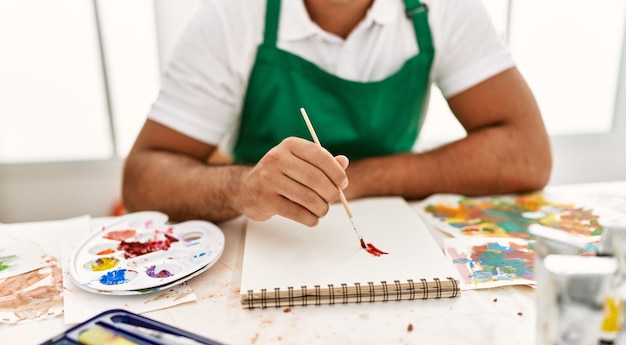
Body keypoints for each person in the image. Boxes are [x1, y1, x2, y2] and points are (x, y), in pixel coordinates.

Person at [122, 0, 552, 227]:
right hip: (267, 233)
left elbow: (526, 154)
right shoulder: (230, 15)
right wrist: (243, 188)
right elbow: (143, 177)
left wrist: (358, 180)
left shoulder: (444, 8)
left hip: (391, 229)